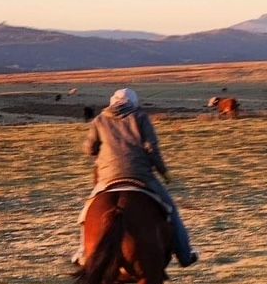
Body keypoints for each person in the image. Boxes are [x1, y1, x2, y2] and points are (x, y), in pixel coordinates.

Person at [75, 88, 199, 267]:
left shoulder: (100, 120)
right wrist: (164, 172)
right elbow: (151, 148)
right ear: (133, 103)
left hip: (107, 177)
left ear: (112, 101)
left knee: (86, 213)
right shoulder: (140, 118)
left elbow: (89, 149)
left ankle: (83, 252)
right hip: (140, 175)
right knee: (171, 209)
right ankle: (185, 254)